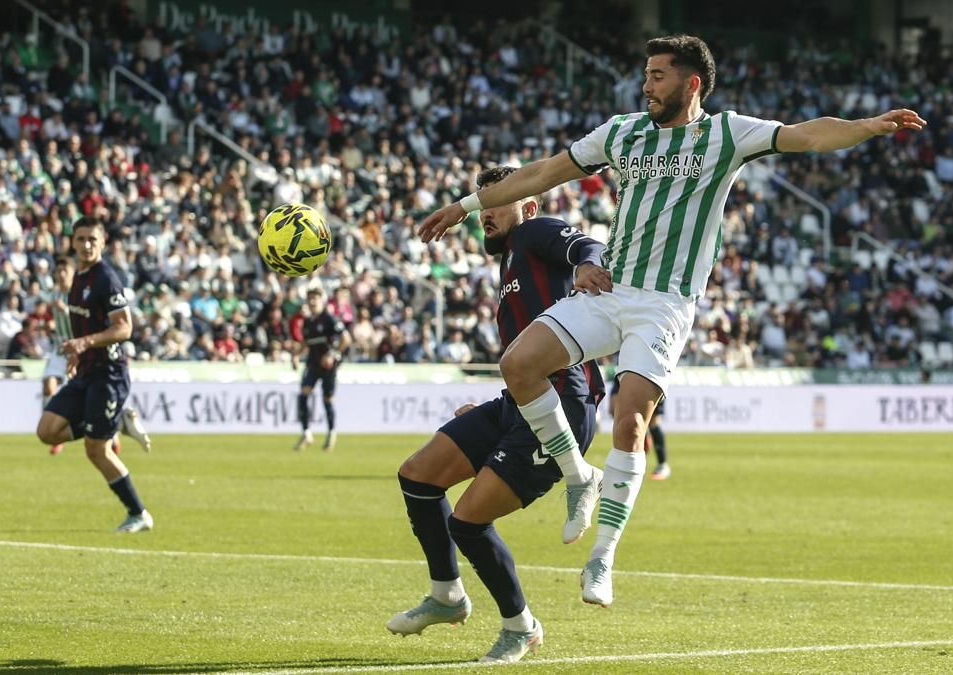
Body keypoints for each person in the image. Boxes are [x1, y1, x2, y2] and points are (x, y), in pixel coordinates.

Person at [420, 34, 925, 607]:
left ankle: (602, 557)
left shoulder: (727, 134)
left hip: (664, 303)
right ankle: (579, 477)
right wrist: (464, 206)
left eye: (658, 75)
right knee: (519, 364)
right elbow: (544, 173)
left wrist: (867, 126)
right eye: (646, 74)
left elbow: (807, 135)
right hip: (611, 287)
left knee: (630, 421)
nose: (646, 85)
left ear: (692, 82)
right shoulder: (622, 132)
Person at [388, 166, 606, 664]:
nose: (485, 212)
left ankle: (520, 627)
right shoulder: (512, 259)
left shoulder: (534, 231)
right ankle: (446, 595)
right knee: (418, 476)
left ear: (527, 205)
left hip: (563, 404)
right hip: (518, 402)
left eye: (497, 201)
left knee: (468, 521)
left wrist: (586, 267)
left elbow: (586, 246)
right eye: (481, 203)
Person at [34, 217, 153, 533]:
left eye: (92, 239)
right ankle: (117, 423)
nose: (86, 245)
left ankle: (138, 513)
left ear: (102, 243)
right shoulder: (78, 278)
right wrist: (77, 351)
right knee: (47, 431)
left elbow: (124, 327)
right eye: (81, 239)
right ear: (72, 242)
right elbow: (83, 324)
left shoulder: (106, 279)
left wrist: (85, 343)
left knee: (96, 449)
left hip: (108, 375)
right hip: (86, 370)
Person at [44, 255, 152, 456]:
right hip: (61, 349)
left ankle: (112, 427)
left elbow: (92, 320)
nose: (60, 275)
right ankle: (63, 433)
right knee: (49, 386)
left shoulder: (79, 292)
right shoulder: (54, 294)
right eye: (57, 271)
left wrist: (67, 315)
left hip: (82, 350)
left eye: (64, 271)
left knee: (92, 406)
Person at [293, 288, 349, 451]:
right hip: (312, 364)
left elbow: (346, 339)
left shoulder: (329, 319)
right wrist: (297, 355)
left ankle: (331, 434)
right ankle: (306, 434)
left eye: (315, 299)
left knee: (327, 400)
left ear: (321, 300)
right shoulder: (308, 322)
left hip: (328, 366)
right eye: (309, 299)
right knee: (303, 395)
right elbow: (305, 343)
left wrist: (333, 354)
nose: (312, 302)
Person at [610, 374, 668, 479]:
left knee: (653, 420)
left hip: (650, 373)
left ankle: (662, 465)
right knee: (613, 410)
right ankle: (642, 438)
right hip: (623, 371)